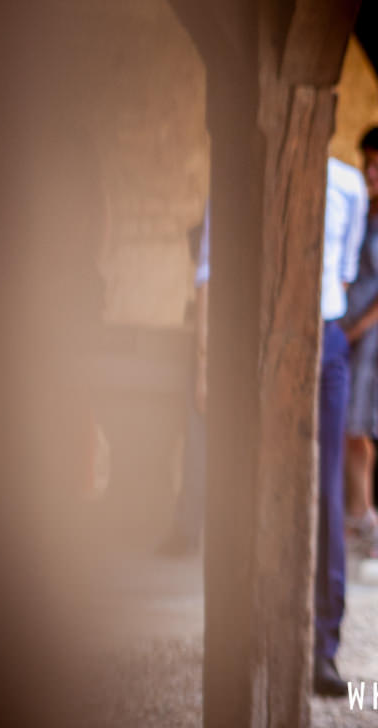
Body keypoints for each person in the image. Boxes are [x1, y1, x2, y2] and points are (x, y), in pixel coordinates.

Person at [313, 155, 367, 697]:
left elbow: (345, 272)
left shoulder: (348, 184)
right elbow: (211, 264)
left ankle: (322, 645)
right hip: (257, 334)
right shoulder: (241, 168)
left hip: (326, 337)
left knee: (328, 492)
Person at [341, 126, 378, 553]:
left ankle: (365, 512)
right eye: (367, 162)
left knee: (358, 424)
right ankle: (356, 510)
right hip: (348, 323)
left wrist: (358, 327)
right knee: (347, 424)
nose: (372, 171)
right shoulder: (363, 209)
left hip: (372, 332)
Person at [158, 202, 209, 557]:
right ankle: (189, 525)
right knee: (198, 438)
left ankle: (189, 527)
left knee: (199, 437)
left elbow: (205, 285)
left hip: (216, 344)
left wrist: (203, 366)